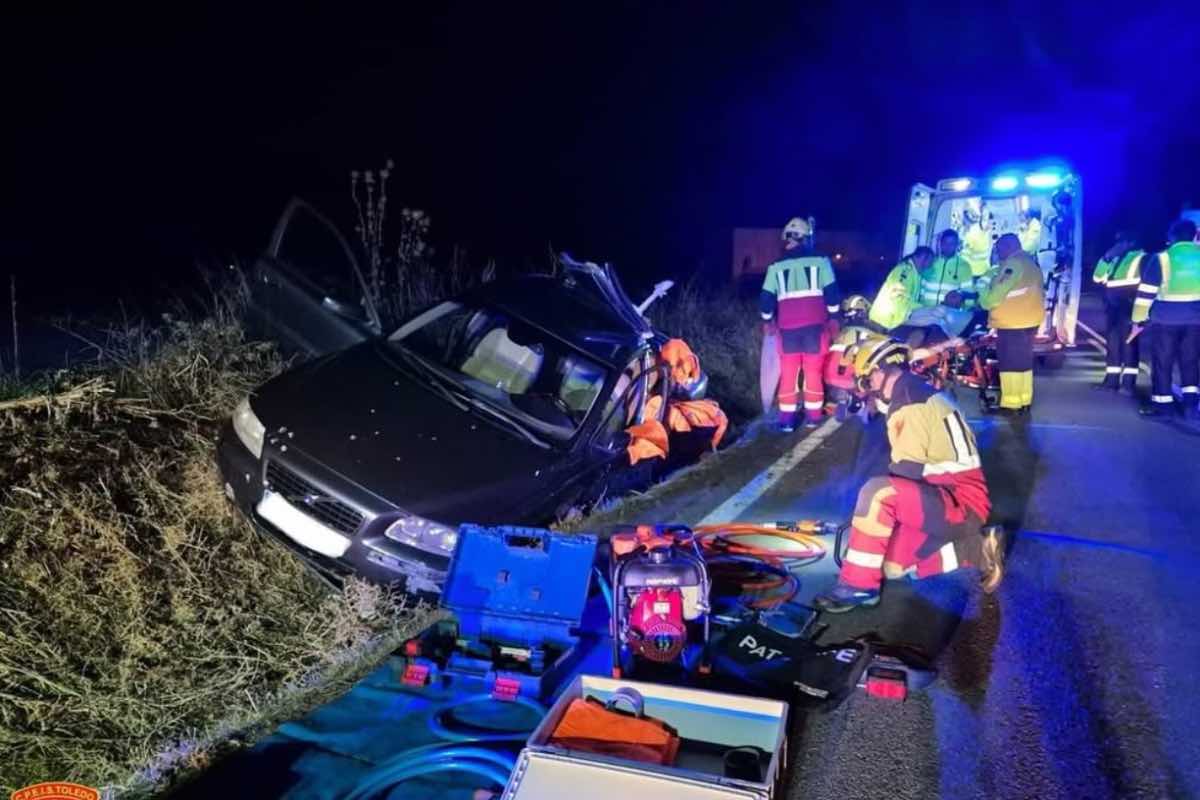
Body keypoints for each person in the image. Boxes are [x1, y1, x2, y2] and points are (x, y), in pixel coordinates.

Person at [813, 335, 1003, 612]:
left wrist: (868, 515)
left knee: (877, 493)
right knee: (888, 565)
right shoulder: (914, 392)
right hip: (946, 497)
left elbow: (903, 478)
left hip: (960, 502)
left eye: (866, 381)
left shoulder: (909, 407)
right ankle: (976, 549)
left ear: (879, 372)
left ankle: (857, 587)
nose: (866, 390)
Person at [760, 217, 841, 430]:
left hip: (786, 330)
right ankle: (813, 418)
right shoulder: (821, 261)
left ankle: (786, 421)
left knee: (789, 373)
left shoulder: (775, 266)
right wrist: (834, 318)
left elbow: (766, 299)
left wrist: (767, 320)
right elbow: (832, 294)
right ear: (806, 238)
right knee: (813, 372)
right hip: (815, 328)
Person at [1132, 219, 1200, 418]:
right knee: (1190, 362)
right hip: (1195, 321)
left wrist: (1138, 319)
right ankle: (1190, 407)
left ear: (1172, 237)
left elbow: (1146, 294)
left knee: (1163, 362)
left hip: (1165, 320)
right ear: (1194, 235)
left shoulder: (1162, 259)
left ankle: (1164, 406)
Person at [979, 233, 1046, 414]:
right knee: (1023, 363)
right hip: (1029, 321)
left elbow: (993, 297)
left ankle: (1011, 404)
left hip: (1012, 323)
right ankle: (1024, 400)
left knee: (1009, 365)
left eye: (999, 247)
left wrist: (982, 297)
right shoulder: (1030, 263)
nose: (997, 251)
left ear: (1008, 246)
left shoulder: (1013, 265)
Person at [1092, 231, 1145, 391]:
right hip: (1113, 306)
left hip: (1129, 304)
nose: (1118, 244)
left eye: (1121, 241)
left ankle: (1128, 384)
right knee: (1113, 344)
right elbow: (1097, 277)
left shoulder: (1140, 257)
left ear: (1131, 242)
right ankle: (1111, 380)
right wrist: (1107, 257)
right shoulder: (1114, 257)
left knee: (1129, 344)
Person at [869, 247, 931, 331]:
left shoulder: (914, 273)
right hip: (883, 320)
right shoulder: (905, 271)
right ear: (920, 258)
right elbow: (899, 297)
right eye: (928, 261)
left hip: (890, 320)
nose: (928, 265)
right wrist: (922, 308)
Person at [891, 290, 976, 348]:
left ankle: (904, 356)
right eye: (952, 295)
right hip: (908, 326)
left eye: (956, 296)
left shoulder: (961, 315)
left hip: (933, 332)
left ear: (961, 303)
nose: (953, 297)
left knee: (920, 333)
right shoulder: (931, 308)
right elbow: (914, 315)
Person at [921, 229, 977, 308]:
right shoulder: (931, 261)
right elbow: (922, 286)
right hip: (926, 311)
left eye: (952, 243)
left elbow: (968, 293)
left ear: (957, 245)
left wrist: (965, 311)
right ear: (940, 244)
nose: (948, 246)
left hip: (947, 314)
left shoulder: (964, 266)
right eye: (945, 243)